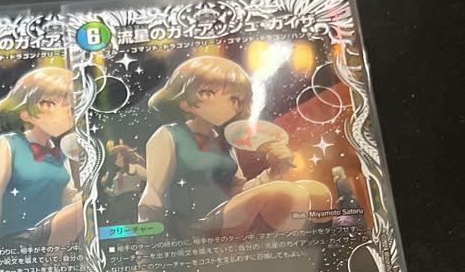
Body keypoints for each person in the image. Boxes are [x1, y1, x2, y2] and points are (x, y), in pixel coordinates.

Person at [138, 56, 332, 237]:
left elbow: (238, 191)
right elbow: (153, 196)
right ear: (185, 101)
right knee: (290, 194)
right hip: (192, 227)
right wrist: (147, 251)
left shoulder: (224, 143)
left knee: (318, 192)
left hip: (228, 215)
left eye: (235, 99)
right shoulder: (168, 135)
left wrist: (274, 172)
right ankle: (278, 252)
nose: (230, 105)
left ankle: (317, 248)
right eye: (207, 92)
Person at [0, 67, 81, 246]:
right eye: (49, 103)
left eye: (72, 105)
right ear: (26, 114)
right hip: (17, 241)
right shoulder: (7, 145)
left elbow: (70, 199)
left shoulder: (59, 153)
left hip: (56, 241)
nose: (69, 111)